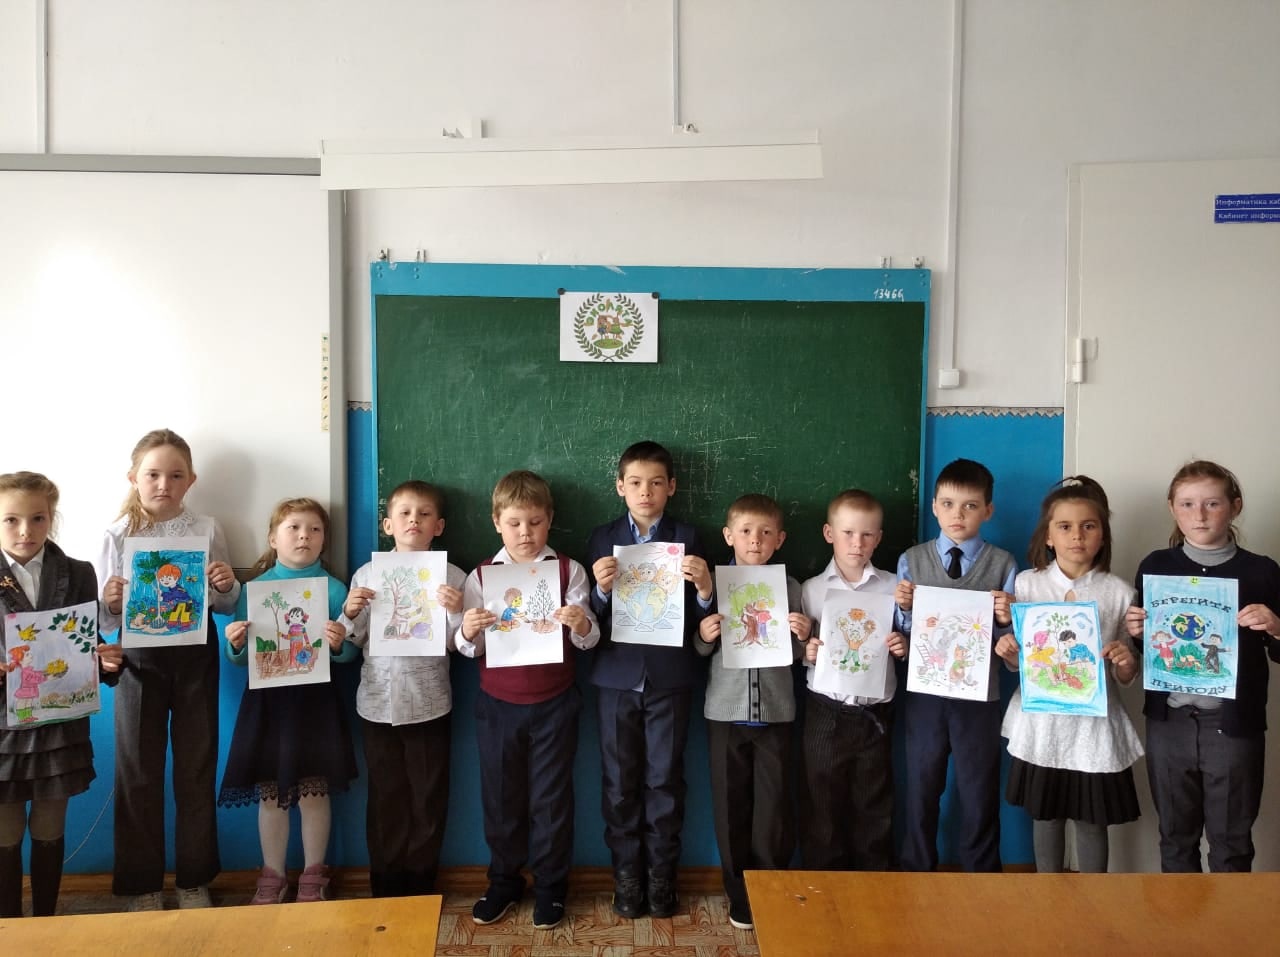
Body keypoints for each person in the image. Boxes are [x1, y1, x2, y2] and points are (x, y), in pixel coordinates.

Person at [95, 429, 240, 910]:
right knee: (138, 770)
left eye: (176, 475)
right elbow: (104, 620)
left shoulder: (207, 528)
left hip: (196, 655)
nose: (164, 484)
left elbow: (224, 603)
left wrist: (226, 585)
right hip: (139, 660)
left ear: (191, 480)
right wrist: (110, 601)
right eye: (153, 474)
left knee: (196, 767)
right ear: (133, 477)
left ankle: (193, 880)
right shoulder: (117, 534)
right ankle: (142, 886)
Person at [458, 470, 599, 930]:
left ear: (549, 520)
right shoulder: (482, 576)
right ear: (497, 522)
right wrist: (468, 631)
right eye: (515, 523)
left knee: (551, 800)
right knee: (501, 798)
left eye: (535, 522)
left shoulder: (569, 571)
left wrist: (580, 624)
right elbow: (467, 647)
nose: (525, 533)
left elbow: (589, 638)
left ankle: (552, 887)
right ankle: (504, 881)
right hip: (498, 705)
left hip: (555, 702)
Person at [1124, 460, 1280, 872]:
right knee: (1175, 838)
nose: (1200, 515)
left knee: (1232, 843)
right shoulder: (1156, 566)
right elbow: (1147, 649)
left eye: (1212, 503)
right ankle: (1180, 917)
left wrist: (1277, 627)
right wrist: (1136, 632)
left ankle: (1229, 917)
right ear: (1172, 508)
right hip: (1169, 722)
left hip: (1233, 726)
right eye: (1188, 504)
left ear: (1235, 506)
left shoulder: (1261, 571)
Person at [585, 441, 712, 919]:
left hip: (669, 677)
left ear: (671, 487)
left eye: (656, 483)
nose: (646, 491)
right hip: (616, 678)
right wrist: (600, 590)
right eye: (636, 482)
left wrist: (704, 589)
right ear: (620, 487)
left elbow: (702, 615)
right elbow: (588, 618)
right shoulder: (602, 538)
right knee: (619, 783)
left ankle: (662, 878)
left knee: (664, 781)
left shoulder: (689, 537)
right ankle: (626, 878)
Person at [994, 477, 1143, 872]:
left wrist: (1125, 662)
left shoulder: (1119, 593)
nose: (1077, 536)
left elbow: (1126, 671)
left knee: (1091, 821)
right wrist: (1009, 652)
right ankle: (1048, 897)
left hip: (1094, 728)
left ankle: (1093, 900)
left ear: (1102, 535)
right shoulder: (1026, 584)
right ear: (1048, 536)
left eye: (1088, 526)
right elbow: (1021, 660)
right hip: (1041, 724)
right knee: (1046, 817)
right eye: (1065, 526)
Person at [219, 498, 358, 903]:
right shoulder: (254, 590)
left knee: (314, 793)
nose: (304, 536)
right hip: (268, 705)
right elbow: (241, 657)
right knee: (271, 796)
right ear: (272, 538)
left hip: (316, 704)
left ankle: (315, 872)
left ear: (324, 540)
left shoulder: (334, 589)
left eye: (315, 529)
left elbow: (348, 654)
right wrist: (235, 642)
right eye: (293, 528)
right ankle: (273, 873)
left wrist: (339, 644)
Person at [0, 472, 123, 917]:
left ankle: (46, 922)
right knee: (6, 830)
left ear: (52, 518)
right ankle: (9, 927)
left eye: (37, 518)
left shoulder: (78, 573)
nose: (25, 530)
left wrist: (105, 662)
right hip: (3, 727)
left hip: (59, 722)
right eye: (11, 520)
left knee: (49, 826)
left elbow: (83, 646)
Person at [339, 480, 464, 897]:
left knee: (428, 796)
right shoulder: (368, 574)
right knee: (385, 797)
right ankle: (385, 884)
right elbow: (354, 638)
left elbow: (458, 643)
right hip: (377, 704)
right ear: (388, 525)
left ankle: (421, 882)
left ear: (438, 526)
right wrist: (349, 612)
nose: (414, 520)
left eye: (424, 514)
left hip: (429, 704)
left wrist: (455, 611)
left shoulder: (453, 577)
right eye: (405, 513)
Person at [895, 458, 1016, 873]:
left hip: (979, 698)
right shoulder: (912, 560)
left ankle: (981, 877)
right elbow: (902, 633)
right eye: (947, 504)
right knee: (921, 787)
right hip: (925, 696)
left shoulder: (1003, 564)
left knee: (979, 790)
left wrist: (1006, 618)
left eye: (970, 505)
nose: (957, 514)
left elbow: (1009, 640)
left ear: (988, 511)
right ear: (934, 507)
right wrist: (904, 610)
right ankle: (916, 871)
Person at [696, 494, 810, 931]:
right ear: (729, 536)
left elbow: (797, 655)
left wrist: (803, 635)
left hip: (776, 714)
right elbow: (696, 649)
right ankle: (739, 895)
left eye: (765, 532)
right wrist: (705, 635)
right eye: (745, 531)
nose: (755, 540)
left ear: (780, 539)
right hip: (725, 714)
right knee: (731, 808)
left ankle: (771, 890)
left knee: (773, 811)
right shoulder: (712, 584)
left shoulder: (791, 588)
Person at [799, 489, 905, 871]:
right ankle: (825, 889)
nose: (857, 543)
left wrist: (902, 646)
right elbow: (804, 648)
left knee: (873, 807)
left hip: (875, 714)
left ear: (878, 538)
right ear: (829, 533)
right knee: (822, 807)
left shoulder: (894, 587)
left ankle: (872, 888)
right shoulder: (812, 589)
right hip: (825, 712)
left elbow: (908, 641)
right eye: (847, 533)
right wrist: (808, 652)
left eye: (866, 534)